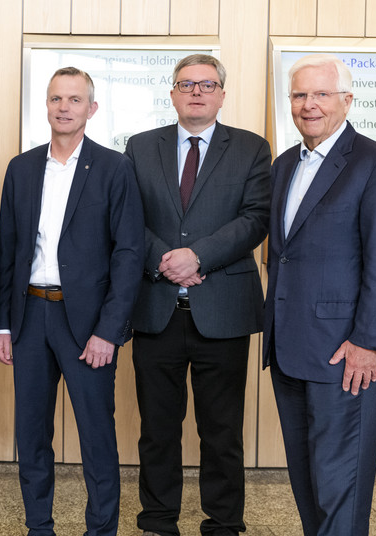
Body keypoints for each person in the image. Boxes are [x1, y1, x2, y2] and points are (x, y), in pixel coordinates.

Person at [124, 54, 271, 536]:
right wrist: (167, 258)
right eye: (186, 84)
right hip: (156, 307)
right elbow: (127, 220)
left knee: (222, 431)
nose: (196, 93)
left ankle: (224, 522)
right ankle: (158, 519)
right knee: (157, 430)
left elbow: (255, 218)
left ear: (222, 95)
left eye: (207, 85)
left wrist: (198, 257)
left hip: (222, 310)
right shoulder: (140, 147)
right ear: (172, 93)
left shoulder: (251, 148)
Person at [264, 54, 376, 536]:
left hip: (348, 355)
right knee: (309, 486)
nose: (309, 105)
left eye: (321, 94)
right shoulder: (285, 164)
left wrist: (369, 343)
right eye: (300, 95)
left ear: (347, 100)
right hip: (291, 350)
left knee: (340, 491)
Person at [0, 66, 144, 536]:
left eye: (75, 100)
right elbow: (6, 251)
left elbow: (128, 254)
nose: (64, 107)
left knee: (97, 436)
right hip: (29, 318)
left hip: (87, 325)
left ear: (91, 109)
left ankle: (101, 530)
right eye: (57, 98)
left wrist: (109, 331)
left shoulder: (115, 168)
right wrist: (2, 324)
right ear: (46, 104)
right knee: (32, 434)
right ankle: (39, 525)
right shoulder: (21, 167)